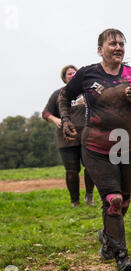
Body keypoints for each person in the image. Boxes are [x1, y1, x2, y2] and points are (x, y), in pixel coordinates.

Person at [58, 28, 131, 271]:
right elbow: (64, 95)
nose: (118, 47)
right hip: (96, 146)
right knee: (113, 200)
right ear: (100, 49)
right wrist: (67, 120)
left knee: (123, 203)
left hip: (128, 145)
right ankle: (122, 257)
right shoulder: (87, 74)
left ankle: (107, 237)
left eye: (121, 43)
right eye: (112, 44)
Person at [42, 65, 95, 208]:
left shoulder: (87, 92)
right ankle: (75, 201)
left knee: (90, 167)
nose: (72, 75)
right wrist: (56, 120)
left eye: (74, 73)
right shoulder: (58, 94)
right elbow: (46, 113)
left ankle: (89, 196)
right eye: (69, 74)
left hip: (87, 136)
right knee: (71, 171)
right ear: (64, 78)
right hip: (66, 138)